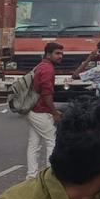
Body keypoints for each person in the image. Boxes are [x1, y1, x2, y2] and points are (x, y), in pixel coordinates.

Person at [26, 42, 63, 180]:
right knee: (51, 141)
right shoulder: (48, 69)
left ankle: (32, 175)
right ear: (48, 54)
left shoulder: (40, 66)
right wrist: (54, 112)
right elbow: (46, 93)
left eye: (61, 54)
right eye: (57, 53)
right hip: (40, 110)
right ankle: (50, 175)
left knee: (34, 143)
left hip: (32, 109)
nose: (60, 57)